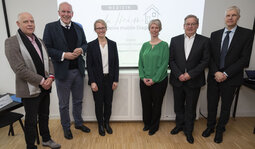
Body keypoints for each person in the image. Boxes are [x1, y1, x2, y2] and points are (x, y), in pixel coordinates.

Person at [5, 12, 61, 149]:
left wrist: (51, 78)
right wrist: (42, 81)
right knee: (30, 121)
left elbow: (49, 61)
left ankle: (46, 139)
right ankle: (30, 146)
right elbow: (19, 69)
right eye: (25, 21)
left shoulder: (39, 41)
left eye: (32, 21)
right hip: (29, 89)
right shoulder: (11, 42)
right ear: (18, 24)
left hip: (45, 87)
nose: (30, 24)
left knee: (44, 116)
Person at [202, 6, 254, 143]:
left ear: (238, 17)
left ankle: (220, 130)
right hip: (214, 77)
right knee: (211, 105)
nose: (230, 18)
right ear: (225, 18)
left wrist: (225, 73)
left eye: (234, 15)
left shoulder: (247, 34)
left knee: (226, 107)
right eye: (228, 15)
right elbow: (210, 57)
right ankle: (210, 127)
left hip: (231, 78)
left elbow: (244, 59)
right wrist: (216, 72)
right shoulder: (215, 34)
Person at [43, 2, 90, 140]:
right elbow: (47, 48)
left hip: (78, 71)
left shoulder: (78, 27)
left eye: (69, 12)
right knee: (64, 104)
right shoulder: (50, 27)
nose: (66, 14)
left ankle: (79, 123)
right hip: (62, 73)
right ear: (59, 13)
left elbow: (85, 44)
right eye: (63, 11)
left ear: (72, 14)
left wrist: (81, 49)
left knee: (78, 101)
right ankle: (66, 127)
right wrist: (64, 55)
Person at [169, 15, 210, 144]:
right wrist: (179, 74)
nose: (190, 26)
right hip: (178, 80)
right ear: (184, 25)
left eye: (193, 24)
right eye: (188, 24)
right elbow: (171, 60)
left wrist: (190, 74)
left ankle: (188, 131)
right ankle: (179, 125)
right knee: (178, 106)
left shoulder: (204, 41)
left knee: (191, 108)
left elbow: (205, 61)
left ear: (197, 25)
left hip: (194, 81)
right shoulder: (175, 40)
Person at [87, 19, 119, 136]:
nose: (101, 30)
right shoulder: (90, 45)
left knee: (108, 103)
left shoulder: (113, 44)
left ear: (106, 28)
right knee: (99, 104)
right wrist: (92, 82)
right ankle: (100, 124)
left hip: (110, 80)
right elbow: (89, 66)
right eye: (98, 28)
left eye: (103, 27)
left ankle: (106, 123)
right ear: (95, 30)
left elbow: (116, 63)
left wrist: (116, 79)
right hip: (97, 81)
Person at [138, 19, 169, 136]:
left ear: (159, 29)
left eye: (156, 27)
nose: (154, 30)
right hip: (144, 80)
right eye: (152, 27)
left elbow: (164, 65)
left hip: (159, 81)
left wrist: (154, 79)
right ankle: (147, 123)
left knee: (157, 104)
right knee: (145, 103)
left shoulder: (164, 45)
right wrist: (143, 77)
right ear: (149, 29)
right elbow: (140, 63)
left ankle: (154, 126)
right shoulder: (145, 45)